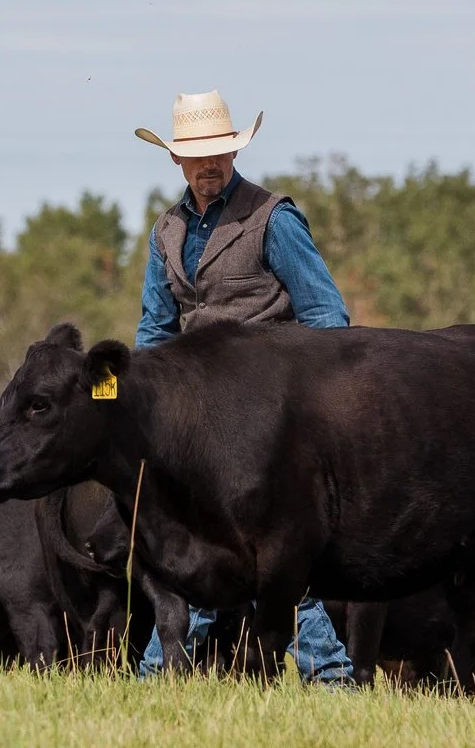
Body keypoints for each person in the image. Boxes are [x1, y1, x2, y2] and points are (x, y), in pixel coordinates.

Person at [130, 91, 356, 684]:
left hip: (266, 417)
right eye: (199, 155)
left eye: (221, 153)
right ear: (177, 161)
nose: (211, 165)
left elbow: (327, 317)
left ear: (235, 152)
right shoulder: (166, 230)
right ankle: (166, 675)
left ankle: (327, 676)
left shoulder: (272, 218)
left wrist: (300, 401)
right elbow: (155, 328)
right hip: (195, 424)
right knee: (206, 552)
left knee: (274, 552)